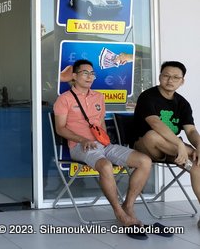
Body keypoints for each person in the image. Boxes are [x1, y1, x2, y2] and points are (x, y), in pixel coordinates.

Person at [53, 59, 152, 229]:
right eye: (85, 73)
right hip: (79, 146)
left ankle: (128, 205)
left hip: (104, 145)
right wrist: (82, 140)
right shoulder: (64, 99)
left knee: (145, 161)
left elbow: (101, 125)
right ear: (74, 76)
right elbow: (60, 129)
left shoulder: (99, 96)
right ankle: (119, 213)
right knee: (105, 166)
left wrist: (105, 142)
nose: (90, 76)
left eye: (92, 73)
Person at [133, 61, 200, 226]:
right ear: (160, 77)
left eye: (176, 77)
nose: (170, 80)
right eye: (166, 76)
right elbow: (155, 123)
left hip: (172, 151)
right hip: (146, 147)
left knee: (198, 162)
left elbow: (191, 131)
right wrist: (179, 145)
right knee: (152, 135)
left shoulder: (182, 103)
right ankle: (188, 157)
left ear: (182, 81)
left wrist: (199, 146)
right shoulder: (148, 97)